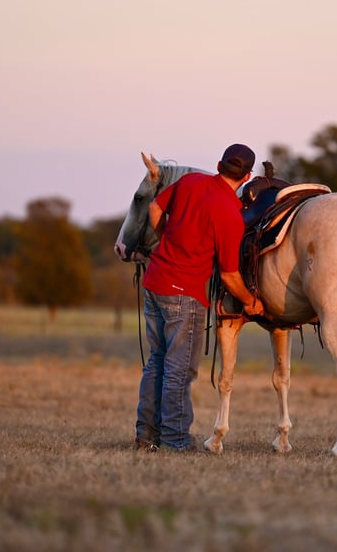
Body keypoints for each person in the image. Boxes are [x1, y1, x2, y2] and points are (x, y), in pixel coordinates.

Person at [135, 143, 266, 452]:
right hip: (185, 295)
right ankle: (176, 441)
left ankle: (146, 436)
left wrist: (169, 237)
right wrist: (250, 301)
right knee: (179, 370)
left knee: (157, 362)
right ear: (247, 177)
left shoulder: (190, 182)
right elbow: (230, 276)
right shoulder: (230, 214)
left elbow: (154, 208)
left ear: (219, 164)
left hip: (155, 282)